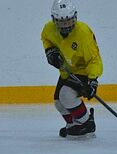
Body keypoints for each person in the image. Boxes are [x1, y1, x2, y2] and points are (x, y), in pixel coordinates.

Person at [40, 0, 103, 138]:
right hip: (67, 70)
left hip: (84, 70)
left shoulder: (83, 33)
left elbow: (94, 60)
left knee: (66, 96)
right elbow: (46, 39)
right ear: (54, 20)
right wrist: (50, 51)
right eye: (61, 22)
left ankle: (86, 123)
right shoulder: (49, 29)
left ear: (75, 17)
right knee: (58, 103)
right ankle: (74, 124)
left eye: (68, 21)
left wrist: (92, 81)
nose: (66, 26)